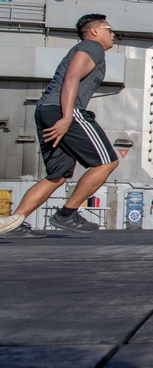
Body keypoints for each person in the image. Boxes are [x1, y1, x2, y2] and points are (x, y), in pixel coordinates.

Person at [0, 14, 119, 238]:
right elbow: (72, 78)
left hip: (46, 110)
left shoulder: (87, 48)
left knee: (59, 173)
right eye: (109, 29)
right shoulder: (92, 47)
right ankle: (67, 214)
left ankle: (15, 222)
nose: (113, 34)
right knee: (106, 162)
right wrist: (66, 117)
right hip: (63, 110)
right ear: (95, 31)